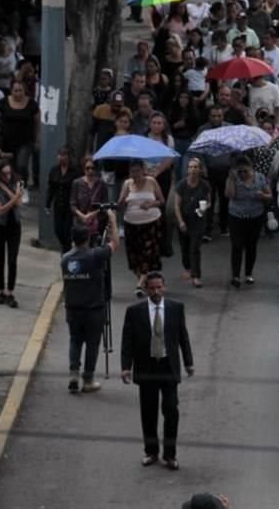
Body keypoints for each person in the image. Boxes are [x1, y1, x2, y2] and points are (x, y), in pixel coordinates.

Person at [120, 271, 195, 471]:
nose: (155, 291)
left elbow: (182, 337)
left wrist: (188, 362)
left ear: (164, 287)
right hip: (147, 368)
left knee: (171, 411)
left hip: (168, 367)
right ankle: (151, 451)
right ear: (145, 289)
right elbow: (127, 340)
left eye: (159, 287)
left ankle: (170, 455)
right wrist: (126, 367)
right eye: (151, 288)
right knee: (149, 412)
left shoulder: (175, 308)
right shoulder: (134, 311)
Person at [62, 210, 119, 394]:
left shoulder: (65, 259)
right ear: (87, 239)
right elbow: (115, 243)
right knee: (93, 344)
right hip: (93, 309)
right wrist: (113, 221)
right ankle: (88, 380)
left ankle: (73, 374)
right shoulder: (95, 255)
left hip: (72, 308)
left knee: (75, 341)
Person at [118, 161, 165, 294]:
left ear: (143, 170)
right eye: (133, 172)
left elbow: (162, 201)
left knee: (147, 254)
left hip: (150, 223)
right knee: (134, 256)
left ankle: (139, 285)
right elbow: (120, 205)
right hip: (131, 224)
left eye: (138, 171)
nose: (135, 174)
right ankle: (144, 281)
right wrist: (124, 198)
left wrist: (151, 204)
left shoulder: (151, 181)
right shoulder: (127, 184)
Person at [225, 156, 271, 287]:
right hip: (236, 216)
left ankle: (248, 273)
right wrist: (230, 178)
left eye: (246, 171)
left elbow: (269, 195)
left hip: (255, 216)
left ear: (251, 168)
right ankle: (235, 275)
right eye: (240, 171)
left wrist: (262, 195)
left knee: (251, 246)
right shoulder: (234, 178)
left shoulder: (260, 178)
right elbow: (229, 195)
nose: (243, 174)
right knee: (237, 245)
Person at [0, 160, 25, 308]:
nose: (7, 176)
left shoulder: (14, 184)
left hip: (14, 226)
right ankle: (1, 290)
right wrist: (15, 196)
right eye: (4, 174)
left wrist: (12, 192)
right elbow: (0, 209)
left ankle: (10, 291)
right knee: (0, 259)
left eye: (9, 173)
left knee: (12, 260)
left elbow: (19, 204)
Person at [173, 158, 211, 288]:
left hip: (198, 220)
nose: (193, 169)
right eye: (190, 167)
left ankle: (196, 276)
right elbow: (176, 205)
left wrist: (205, 207)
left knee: (195, 248)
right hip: (184, 218)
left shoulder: (204, 185)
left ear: (200, 170)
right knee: (185, 247)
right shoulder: (181, 185)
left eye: (196, 167)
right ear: (187, 169)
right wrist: (180, 222)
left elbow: (209, 201)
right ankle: (187, 268)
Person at [46, 147, 80, 253]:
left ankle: (66, 252)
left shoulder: (75, 171)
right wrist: (47, 204)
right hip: (58, 204)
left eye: (63, 155)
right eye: (59, 155)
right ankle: (66, 248)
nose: (61, 157)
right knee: (58, 230)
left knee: (67, 231)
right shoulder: (54, 170)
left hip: (70, 205)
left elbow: (79, 188)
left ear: (68, 157)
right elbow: (51, 188)